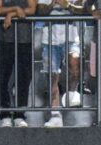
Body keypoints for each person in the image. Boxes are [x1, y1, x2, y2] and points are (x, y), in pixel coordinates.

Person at [36, 0, 85, 128]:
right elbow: (39, 10)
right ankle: (56, 114)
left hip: (72, 37)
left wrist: (68, 5)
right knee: (52, 76)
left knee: (75, 69)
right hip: (50, 39)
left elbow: (84, 8)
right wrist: (53, 3)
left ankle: (71, 95)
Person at [0, 0, 36, 127]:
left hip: (25, 39)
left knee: (24, 78)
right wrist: (15, 10)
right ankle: (5, 113)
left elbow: (32, 9)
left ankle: (20, 114)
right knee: (3, 77)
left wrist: (10, 14)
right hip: (5, 38)